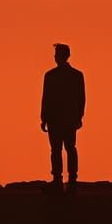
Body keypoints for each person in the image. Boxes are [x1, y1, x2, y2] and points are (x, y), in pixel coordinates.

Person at [40, 43, 86, 191]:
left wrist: (44, 118)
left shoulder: (51, 76)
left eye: (56, 54)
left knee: (57, 149)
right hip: (69, 119)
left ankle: (58, 179)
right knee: (69, 148)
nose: (54, 56)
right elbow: (81, 99)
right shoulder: (77, 75)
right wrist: (79, 116)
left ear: (59, 56)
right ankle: (72, 179)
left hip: (56, 119)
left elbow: (46, 98)